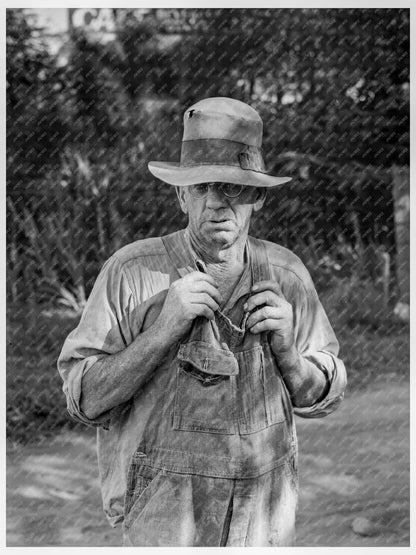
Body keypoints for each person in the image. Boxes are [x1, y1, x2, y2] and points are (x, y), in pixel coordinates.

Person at [58, 97, 347, 547]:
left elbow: (323, 397)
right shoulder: (132, 273)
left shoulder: (286, 276)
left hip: (263, 518)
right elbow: (86, 400)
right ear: (180, 195)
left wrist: (289, 354)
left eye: (232, 187)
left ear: (257, 197)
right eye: (201, 186)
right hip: (166, 520)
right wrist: (163, 329)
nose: (216, 202)